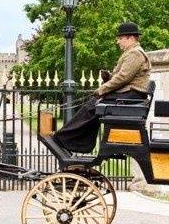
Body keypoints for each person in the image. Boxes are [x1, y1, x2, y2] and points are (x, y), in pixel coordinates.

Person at [52, 22, 151, 153]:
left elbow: (123, 78)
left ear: (131, 38)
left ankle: (66, 139)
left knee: (93, 104)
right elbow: (124, 76)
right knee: (93, 105)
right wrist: (109, 76)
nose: (118, 42)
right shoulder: (132, 52)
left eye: (120, 38)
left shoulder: (135, 53)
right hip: (130, 95)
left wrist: (102, 89)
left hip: (130, 96)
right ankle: (76, 142)